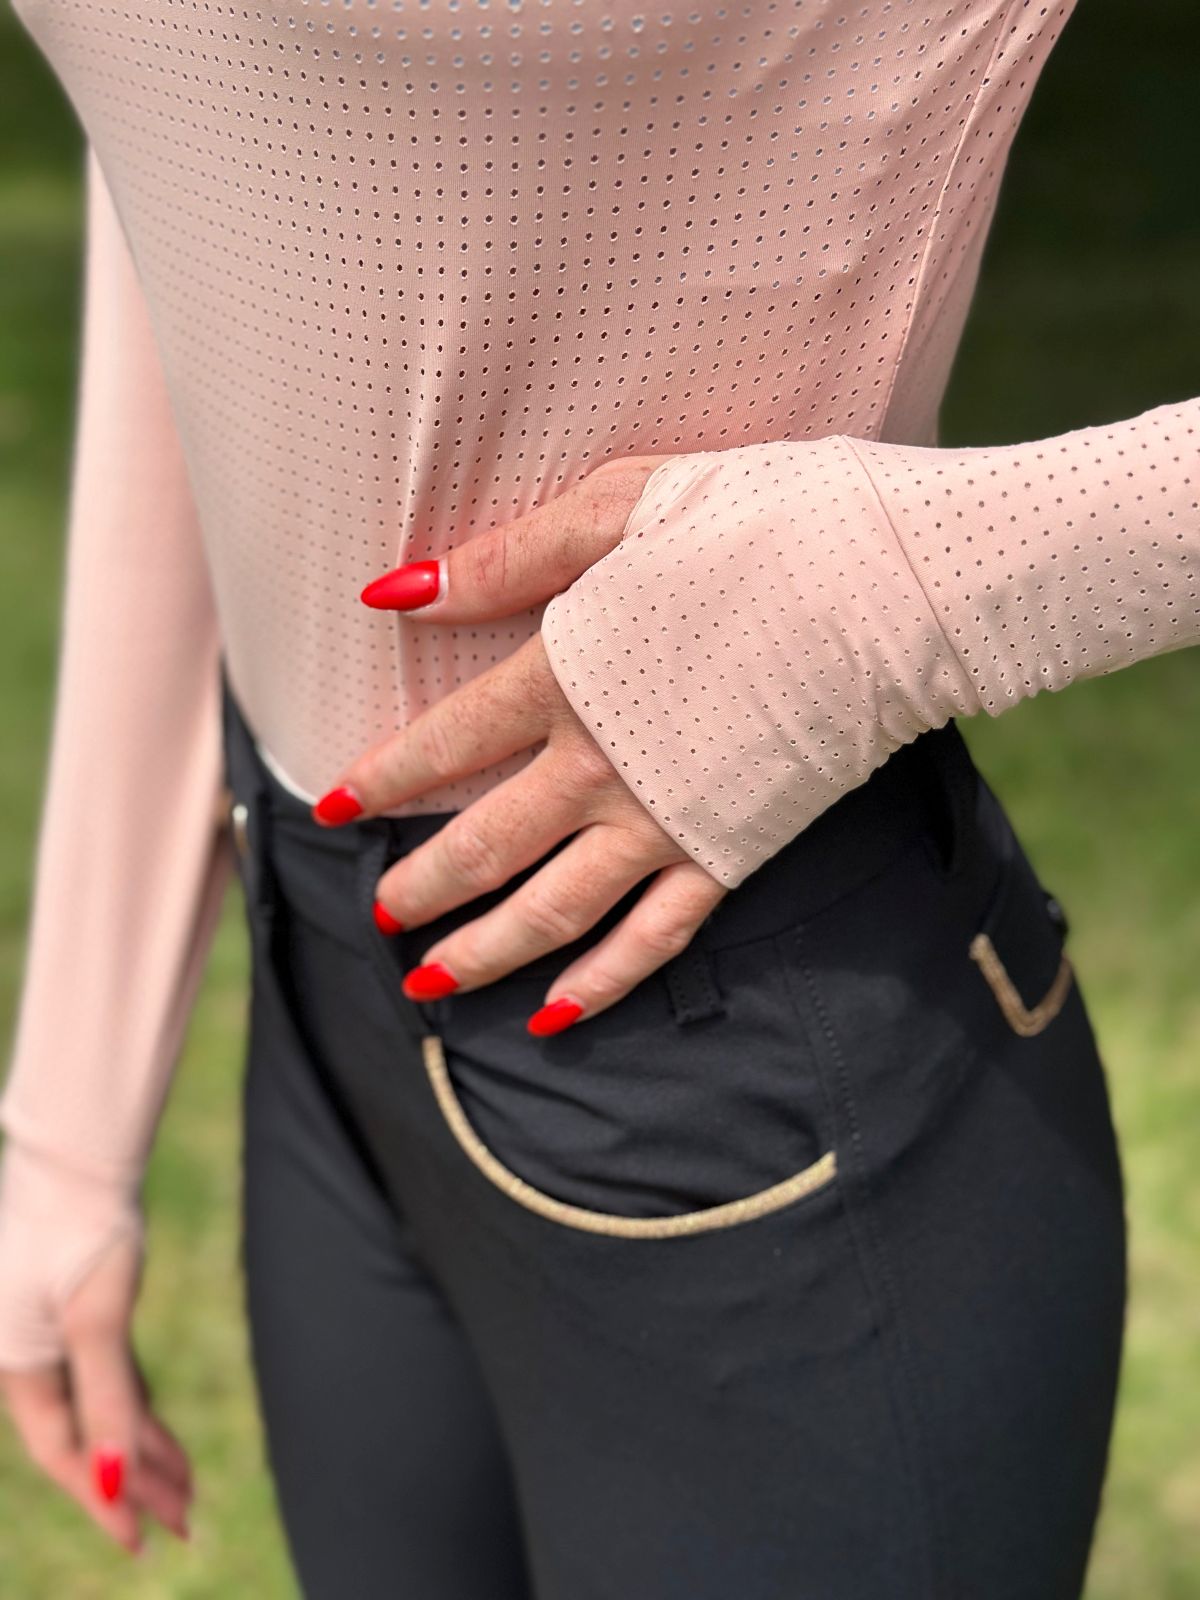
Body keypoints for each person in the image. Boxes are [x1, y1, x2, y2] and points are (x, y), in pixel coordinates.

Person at [0, 0, 1194, 1593]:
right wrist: (71, 1115)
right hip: (333, 1035)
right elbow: (222, 154)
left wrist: (916, 583)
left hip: (749, 1074)